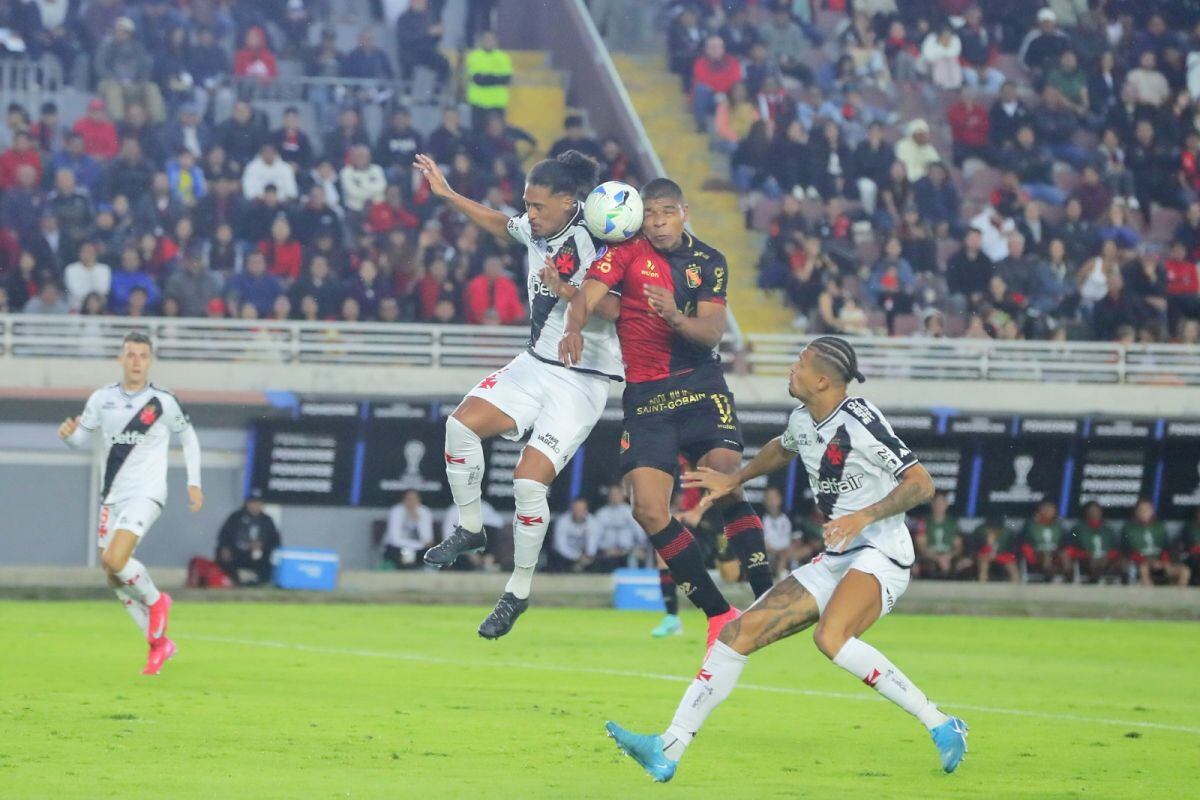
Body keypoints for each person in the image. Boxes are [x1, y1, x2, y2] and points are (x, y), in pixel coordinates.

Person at [604, 337, 967, 782]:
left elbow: (921, 483)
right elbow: (783, 446)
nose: (791, 370)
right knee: (735, 634)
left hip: (881, 552)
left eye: (800, 364)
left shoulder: (860, 420)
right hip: (836, 557)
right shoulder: (803, 419)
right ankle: (669, 748)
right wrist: (735, 478)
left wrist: (863, 517)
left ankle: (940, 722)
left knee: (830, 638)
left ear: (821, 379)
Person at [413, 149, 622, 639]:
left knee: (529, 485)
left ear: (571, 202)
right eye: (527, 205)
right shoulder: (537, 229)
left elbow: (616, 308)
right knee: (460, 425)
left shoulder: (598, 242)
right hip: (533, 365)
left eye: (538, 206)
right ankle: (470, 528)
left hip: (582, 378)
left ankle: (518, 592)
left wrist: (571, 294)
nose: (529, 215)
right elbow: (498, 224)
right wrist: (447, 194)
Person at [562, 177, 772, 652]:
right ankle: (719, 613)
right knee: (648, 508)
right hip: (648, 398)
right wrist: (574, 326)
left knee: (723, 477)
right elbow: (590, 294)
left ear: (684, 212)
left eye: (666, 212)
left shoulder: (708, 262)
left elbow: (711, 333)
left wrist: (675, 315)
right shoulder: (627, 251)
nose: (657, 223)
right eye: (650, 213)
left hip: (700, 386)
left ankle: (766, 593)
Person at [58, 331, 203, 675]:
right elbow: (81, 439)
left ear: (150, 361)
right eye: (131, 355)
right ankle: (159, 644)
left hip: (147, 492)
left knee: (115, 558)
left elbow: (189, 437)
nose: (136, 361)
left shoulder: (162, 402)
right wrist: (67, 436)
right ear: (121, 359)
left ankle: (156, 601)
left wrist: (194, 482)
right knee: (112, 575)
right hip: (113, 497)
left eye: (142, 355)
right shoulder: (101, 399)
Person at [215, 488, 281, 586]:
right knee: (223, 559)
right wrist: (225, 548)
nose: (255, 506)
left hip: (258, 555)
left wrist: (262, 545)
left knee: (268, 565)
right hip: (237, 553)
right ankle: (235, 581)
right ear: (247, 503)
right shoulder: (236, 517)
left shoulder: (267, 520)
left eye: (258, 503)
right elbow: (223, 535)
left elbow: (276, 541)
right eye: (252, 502)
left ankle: (258, 583)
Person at [1122, 498, 1190, 587]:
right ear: (1136, 512)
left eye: (1147, 509)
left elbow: (1167, 548)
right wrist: (1148, 562)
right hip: (1141, 564)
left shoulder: (1160, 527)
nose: (1144, 512)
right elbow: (1129, 551)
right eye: (1141, 510)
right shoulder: (1129, 528)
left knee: (1185, 571)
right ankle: (1149, 597)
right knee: (1143, 569)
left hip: (1161, 563)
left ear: (1152, 511)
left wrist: (1164, 562)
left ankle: (1178, 597)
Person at [1062, 501, 1121, 583]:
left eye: (1096, 511)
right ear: (1086, 513)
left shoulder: (1108, 529)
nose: (1094, 514)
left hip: (1107, 559)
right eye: (1091, 511)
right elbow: (1071, 549)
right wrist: (1086, 554)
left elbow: (1116, 549)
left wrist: (1108, 556)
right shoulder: (1078, 529)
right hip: (1086, 560)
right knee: (1092, 563)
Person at [915, 492, 968, 580]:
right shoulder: (923, 522)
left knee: (964, 563)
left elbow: (958, 547)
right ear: (932, 504)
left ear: (946, 504)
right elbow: (921, 547)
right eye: (937, 503)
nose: (939, 506)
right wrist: (938, 558)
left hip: (949, 557)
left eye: (942, 503)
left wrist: (947, 557)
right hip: (929, 558)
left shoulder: (953, 523)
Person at [383, 489, 435, 568]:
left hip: (418, 549)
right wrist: (416, 545)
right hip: (396, 548)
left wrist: (418, 521)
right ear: (403, 500)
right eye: (408, 499)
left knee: (429, 553)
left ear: (419, 500)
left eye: (414, 499)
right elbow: (394, 539)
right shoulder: (396, 511)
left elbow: (428, 540)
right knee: (397, 553)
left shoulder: (424, 512)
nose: (412, 502)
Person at [547, 497, 600, 572]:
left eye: (581, 510)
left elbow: (592, 546)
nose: (578, 512)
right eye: (576, 509)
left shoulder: (593, 523)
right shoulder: (562, 522)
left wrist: (587, 557)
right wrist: (577, 556)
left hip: (585, 556)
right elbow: (560, 546)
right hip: (564, 556)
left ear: (586, 510)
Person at [1022, 501, 1067, 581]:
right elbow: (1024, 541)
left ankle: (1068, 579)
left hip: (1055, 553)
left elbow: (1065, 541)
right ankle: (1049, 580)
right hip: (1037, 554)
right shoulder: (1030, 525)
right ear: (1039, 510)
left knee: (1064, 555)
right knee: (1047, 555)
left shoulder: (1058, 525)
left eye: (1050, 509)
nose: (1047, 511)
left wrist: (1060, 550)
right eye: (1045, 509)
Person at [760, 486, 793, 580]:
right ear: (764, 501)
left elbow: (793, 540)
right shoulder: (760, 518)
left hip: (785, 552)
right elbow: (762, 543)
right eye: (769, 498)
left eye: (774, 498)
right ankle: (780, 575)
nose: (772, 501)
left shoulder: (787, 518)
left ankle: (783, 573)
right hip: (768, 553)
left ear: (780, 499)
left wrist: (785, 551)